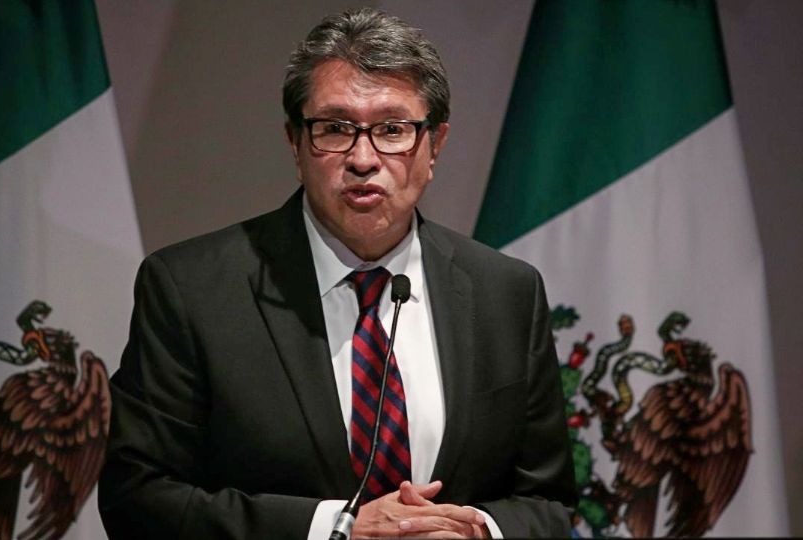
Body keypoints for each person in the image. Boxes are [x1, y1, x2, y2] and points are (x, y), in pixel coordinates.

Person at [98, 7, 575, 539]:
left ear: (435, 145)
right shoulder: (191, 289)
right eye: (334, 128)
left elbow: (549, 503)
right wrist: (335, 529)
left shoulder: (506, 292)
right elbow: (137, 497)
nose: (363, 158)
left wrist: (476, 532)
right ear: (295, 142)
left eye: (392, 129)